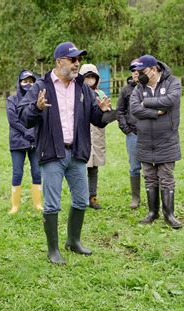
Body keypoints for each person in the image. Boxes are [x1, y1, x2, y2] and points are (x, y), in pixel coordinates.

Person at [19, 42, 111, 264]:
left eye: (78, 59)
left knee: (81, 200)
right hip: (52, 153)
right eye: (73, 59)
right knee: (52, 204)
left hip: (77, 152)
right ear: (59, 62)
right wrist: (37, 108)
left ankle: (73, 241)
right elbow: (23, 115)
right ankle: (53, 249)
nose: (77, 63)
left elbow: (95, 119)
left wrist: (105, 112)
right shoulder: (41, 86)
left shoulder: (82, 87)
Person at [130, 54, 182, 229]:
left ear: (153, 69)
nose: (138, 75)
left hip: (167, 139)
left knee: (166, 177)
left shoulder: (172, 82)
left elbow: (170, 101)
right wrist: (156, 112)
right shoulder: (138, 88)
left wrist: (146, 102)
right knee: (149, 178)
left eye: (142, 71)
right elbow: (134, 109)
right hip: (145, 140)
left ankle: (169, 214)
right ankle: (153, 212)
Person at [6, 70, 43, 214]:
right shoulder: (11, 100)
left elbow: (40, 117)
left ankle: (38, 203)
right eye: (25, 81)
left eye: (31, 81)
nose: (28, 84)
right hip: (17, 142)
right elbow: (13, 120)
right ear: (19, 83)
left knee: (37, 171)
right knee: (17, 172)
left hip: (35, 142)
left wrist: (33, 134)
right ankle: (15, 206)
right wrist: (27, 131)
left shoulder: (37, 99)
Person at [79, 63, 113, 210]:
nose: (90, 80)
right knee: (80, 168)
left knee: (94, 169)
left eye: (93, 77)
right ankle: (81, 198)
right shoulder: (77, 95)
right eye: (87, 78)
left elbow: (106, 116)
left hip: (97, 136)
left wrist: (106, 111)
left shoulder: (101, 94)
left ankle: (92, 197)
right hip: (82, 135)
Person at [117, 59, 142, 209]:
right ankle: (135, 197)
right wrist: (125, 128)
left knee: (150, 167)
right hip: (132, 133)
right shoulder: (126, 90)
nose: (136, 73)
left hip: (149, 133)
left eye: (139, 71)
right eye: (133, 71)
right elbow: (120, 110)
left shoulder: (149, 88)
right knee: (134, 166)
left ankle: (152, 196)